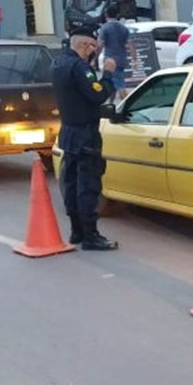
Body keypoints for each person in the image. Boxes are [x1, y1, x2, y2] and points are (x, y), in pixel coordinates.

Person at [52, 26, 119, 251]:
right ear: (84, 45)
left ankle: (76, 231)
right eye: (92, 46)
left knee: (70, 183)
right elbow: (98, 94)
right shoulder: (79, 68)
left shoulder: (59, 63)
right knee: (88, 185)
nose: (94, 51)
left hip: (69, 131)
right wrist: (108, 73)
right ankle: (91, 235)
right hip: (85, 134)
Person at [98, 5, 130, 102]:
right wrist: (135, 59)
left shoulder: (105, 28)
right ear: (118, 15)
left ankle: (128, 101)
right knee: (113, 82)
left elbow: (100, 44)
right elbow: (129, 44)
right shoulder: (124, 28)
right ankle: (111, 103)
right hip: (122, 58)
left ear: (106, 14)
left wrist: (95, 57)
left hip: (110, 59)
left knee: (118, 83)